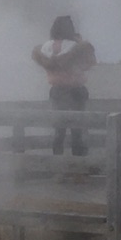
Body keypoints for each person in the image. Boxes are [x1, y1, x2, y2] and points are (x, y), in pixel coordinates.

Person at [31, 15, 96, 155]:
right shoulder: (75, 47)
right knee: (77, 129)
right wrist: (80, 42)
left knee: (58, 129)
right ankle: (78, 164)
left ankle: (57, 163)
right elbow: (89, 63)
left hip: (56, 91)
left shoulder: (46, 48)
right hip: (75, 91)